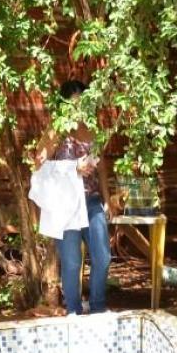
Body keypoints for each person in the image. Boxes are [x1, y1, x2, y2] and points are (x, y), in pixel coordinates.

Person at [33, 79, 111, 315]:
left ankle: (97, 308)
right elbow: (39, 165)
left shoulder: (94, 130)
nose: (79, 109)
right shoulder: (56, 131)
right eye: (74, 104)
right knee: (72, 261)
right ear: (64, 105)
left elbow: (102, 167)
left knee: (102, 256)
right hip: (65, 205)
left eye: (83, 103)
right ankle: (74, 311)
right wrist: (73, 168)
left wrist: (107, 199)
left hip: (92, 201)